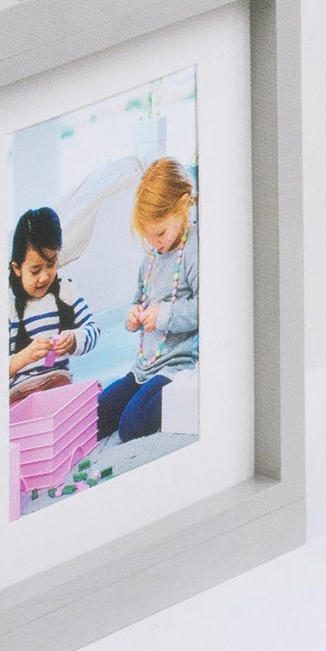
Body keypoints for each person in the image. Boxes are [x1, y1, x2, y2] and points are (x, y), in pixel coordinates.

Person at [97, 160, 199, 445]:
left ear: (183, 205)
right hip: (144, 366)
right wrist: (133, 316)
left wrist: (163, 315)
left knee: (132, 424)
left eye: (160, 234)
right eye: (148, 236)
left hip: (178, 365)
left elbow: (207, 307)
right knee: (98, 415)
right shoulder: (151, 260)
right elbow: (138, 300)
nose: (154, 243)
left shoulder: (193, 248)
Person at [6, 207, 93, 401]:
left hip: (57, 383)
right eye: (35, 270)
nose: (45, 276)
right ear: (17, 268)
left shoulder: (65, 291)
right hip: (19, 395)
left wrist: (74, 340)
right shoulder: (8, 307)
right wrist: (24, 357)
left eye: (51, 264)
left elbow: (92, 330)